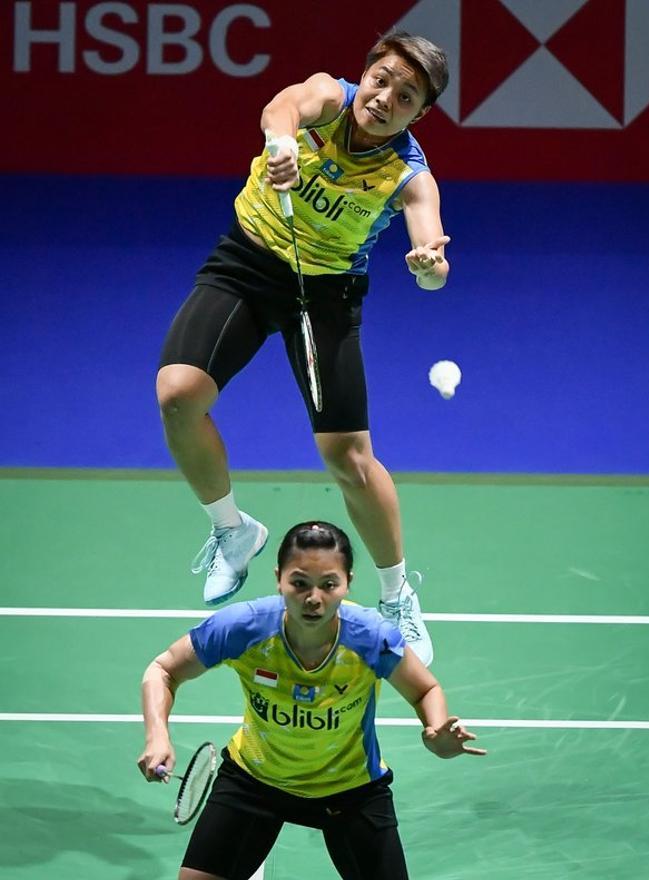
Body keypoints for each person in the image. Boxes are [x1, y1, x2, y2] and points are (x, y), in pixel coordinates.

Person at [156, 31, 451, 666]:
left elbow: (431, 247)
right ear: (365, 74)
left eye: (406, 97)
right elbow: (283, 107)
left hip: (325, 291)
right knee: (178, 396)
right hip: (248, 260)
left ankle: (398, 595)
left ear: (418, 114)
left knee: (347, 457)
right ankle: (234, 532)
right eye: (382, 80)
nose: (385, 98)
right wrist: (282, 142)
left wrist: (429, 265)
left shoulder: (412, 174)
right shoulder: (329, 95)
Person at [138, 521, 485, 880]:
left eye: (329, 584)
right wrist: (157, 736)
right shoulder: (245, 628)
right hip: (256, 780)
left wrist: (436, 731)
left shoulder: (370, 637)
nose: (314, 598)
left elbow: (425, 690)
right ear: (279, 578)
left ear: (348, 582)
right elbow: (163, 670)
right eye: (299, 583)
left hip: (350, 790)